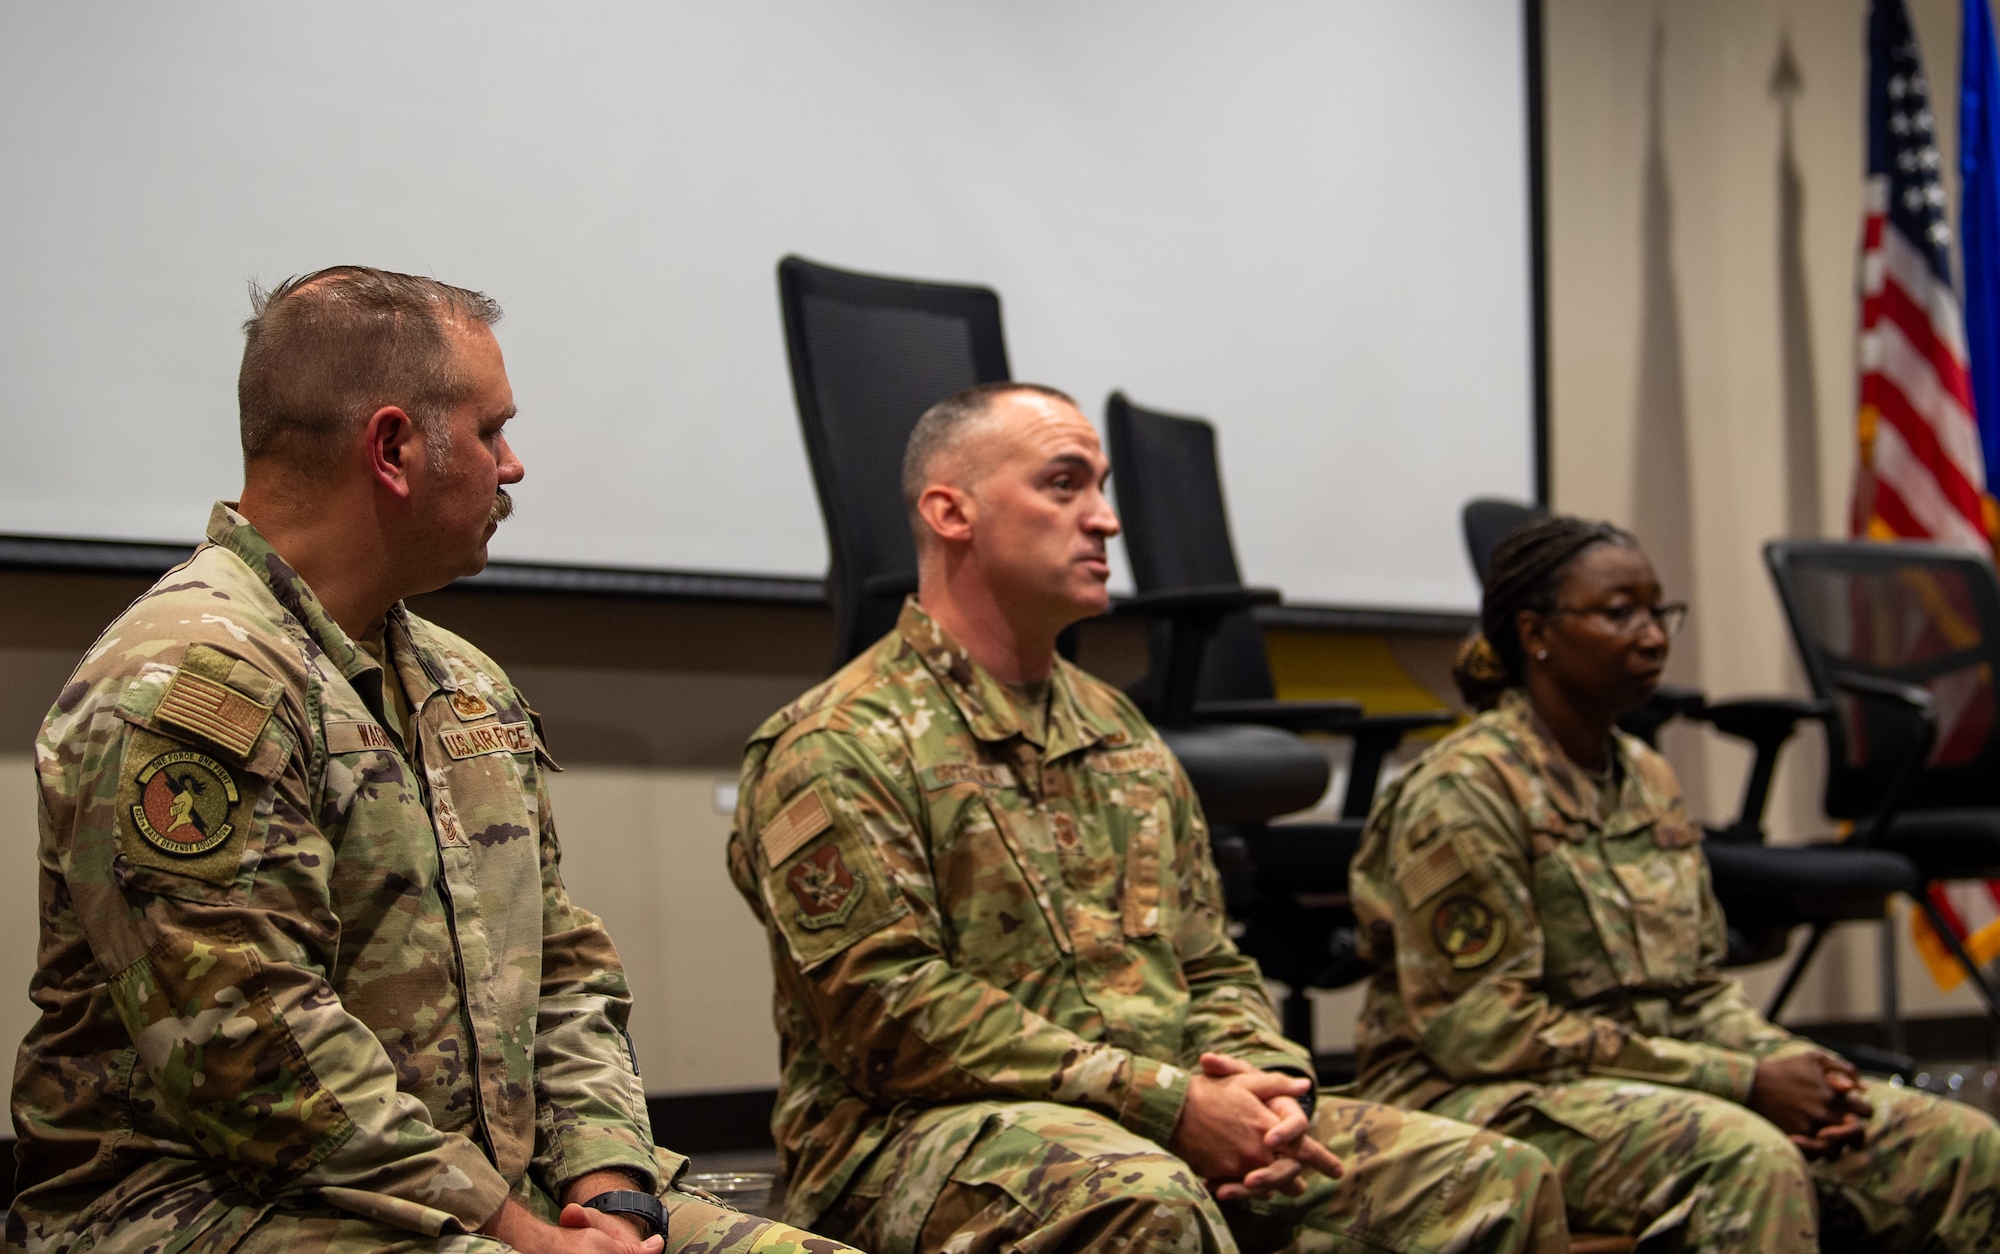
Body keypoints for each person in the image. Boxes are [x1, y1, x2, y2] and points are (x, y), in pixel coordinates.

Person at [9, 267, 854, 1254]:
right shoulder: (190, 680)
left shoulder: (462, 681)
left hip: (493, 1186)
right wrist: (515, 1230)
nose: (515, 464)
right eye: (492, 431)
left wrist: (610, 1188)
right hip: (218, 1202)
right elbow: (254, 1048)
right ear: (395, 445)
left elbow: (565, 970)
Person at [728, 382, 1567, 1254]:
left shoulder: (1118, 730)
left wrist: (1269, 1087)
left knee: (1495, 1177)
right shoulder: (836, 741)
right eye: (1064, 484)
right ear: (951, 511)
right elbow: (888, 1016)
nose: (1106, 520)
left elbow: (1208, 956)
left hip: (1158, 1108)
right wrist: (1165, 1103)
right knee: (1147, 1199)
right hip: (906, 1136)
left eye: (1103, 486)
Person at [1350, 514, 2000, 1252]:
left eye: (1659, 611)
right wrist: (1741, 1080)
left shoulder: (1646, 776)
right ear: (1536, 632)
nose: (1653, 634)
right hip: (1478, 1096)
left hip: (1647, 1079)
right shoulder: (1464, 791)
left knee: (1960, 1144)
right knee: (1746, 1157)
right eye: (1619, 612)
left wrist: (1791, 1065)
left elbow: (1698, 989)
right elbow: (1486, 1030)